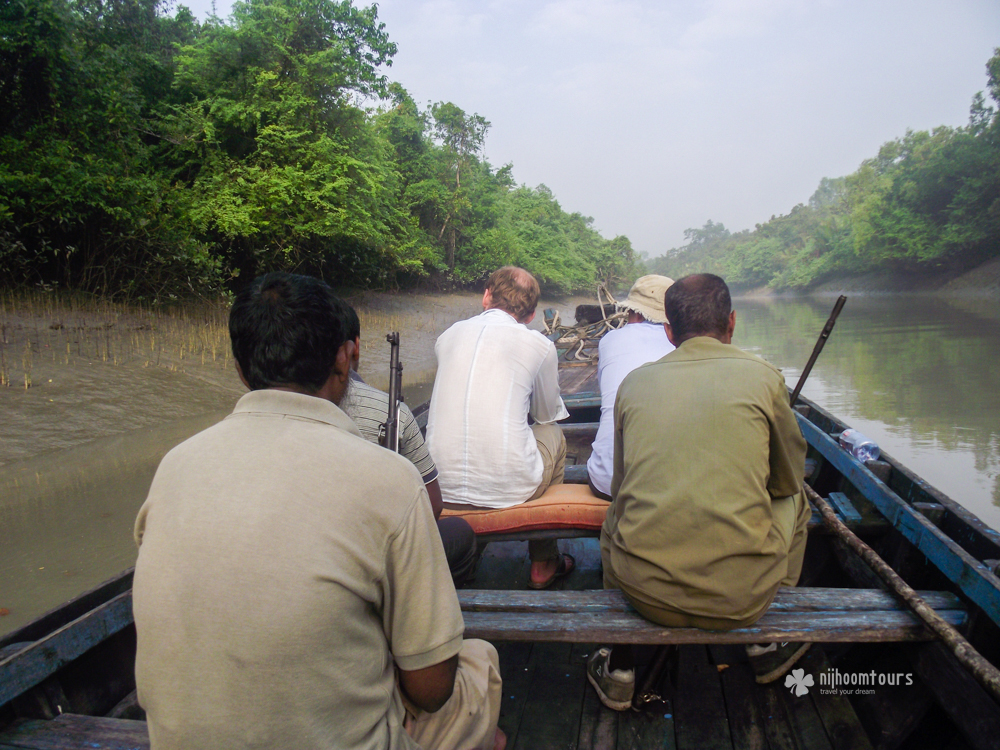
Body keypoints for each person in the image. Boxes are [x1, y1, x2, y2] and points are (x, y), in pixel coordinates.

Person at [133, 273, 504, 750]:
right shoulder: (389, 479)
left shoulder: (174, 467)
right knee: (480, 662)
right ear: (345, 359)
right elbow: (431, 691)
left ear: (242, 370)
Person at [588, 273, 810, 710]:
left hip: (644, 595)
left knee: (615, 517)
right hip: (744, 599)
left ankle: (619, 662)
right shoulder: (765, 378)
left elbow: (621, 490)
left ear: (669, 333)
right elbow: (785, 482)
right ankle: (766, 643)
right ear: (732, 324)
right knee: (796, 500)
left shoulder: (634, 384)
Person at [426, 266, 572, 590]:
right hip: (510, 489)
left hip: (439, 487)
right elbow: (547, 415)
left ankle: (470, 549)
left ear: (486, 297)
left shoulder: (446, 337)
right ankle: (544, 559)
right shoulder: (540, 345)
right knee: (554, 435)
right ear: (532, 314)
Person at [339, 302, 478, 584]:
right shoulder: (389, 411)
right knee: (460, 534)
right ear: (354, 347)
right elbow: (433, 505)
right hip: (377, 562)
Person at [586, 275, 675, 500]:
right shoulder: (683, 344)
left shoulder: (610, 340)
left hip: (607, 483)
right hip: (671, 487)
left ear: (633, 312)